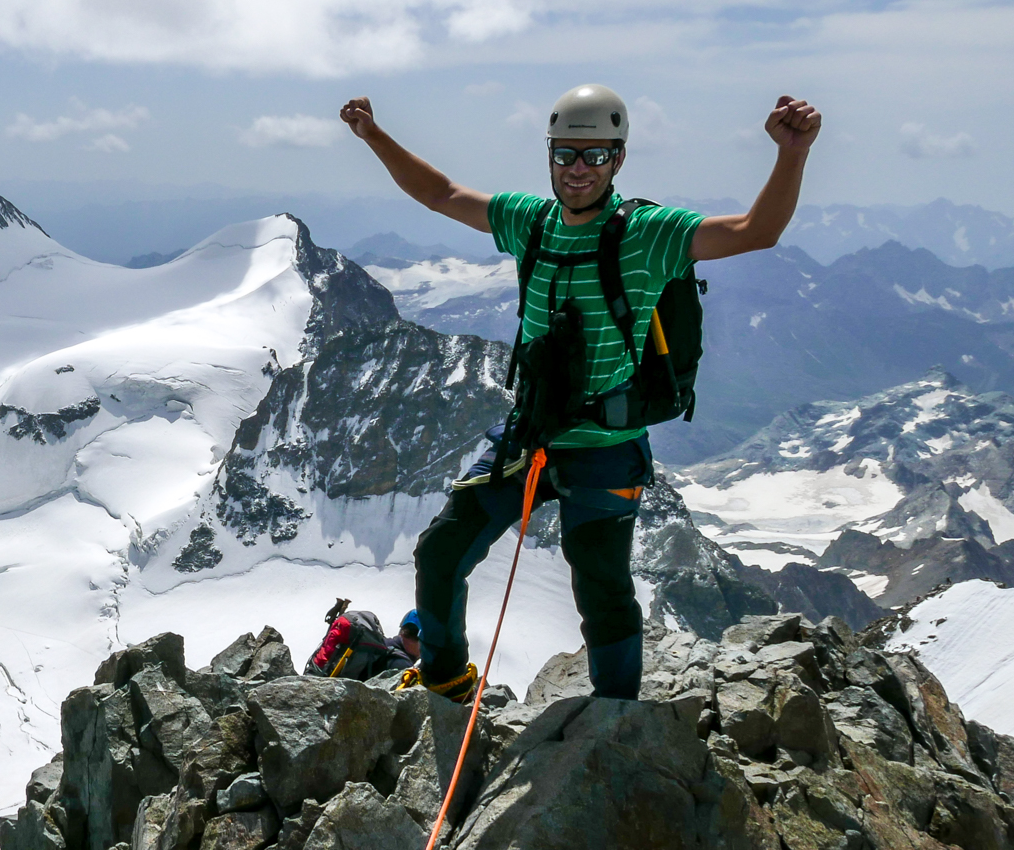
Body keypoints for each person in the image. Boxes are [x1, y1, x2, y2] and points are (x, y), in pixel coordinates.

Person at [338, 85, 821, 702]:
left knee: (602, 590)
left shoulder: (649, 233)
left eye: (595, 156)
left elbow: (757, 230)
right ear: (549, 155)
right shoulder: (529, 221)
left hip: (605, 445)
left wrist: (792, 153)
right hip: (530, 433)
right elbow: (441, 194)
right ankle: (446, 683)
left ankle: (615, 718)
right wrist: (374, 136)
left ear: (618, 159)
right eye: (567, 154)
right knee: (440, 553)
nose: (578, 169)